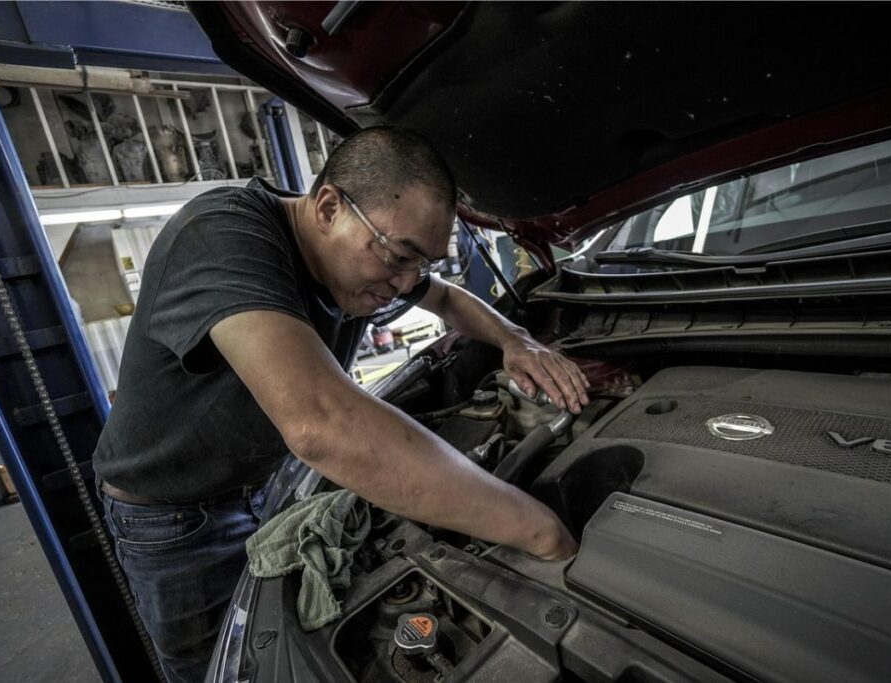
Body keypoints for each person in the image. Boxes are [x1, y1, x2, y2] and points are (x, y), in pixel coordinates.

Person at [92, 127, 587, 682]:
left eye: (421, 264)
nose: (404, 284)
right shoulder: (222, 237)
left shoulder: (356, 250)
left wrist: (512, 338)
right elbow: (321, 424)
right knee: (223, 671)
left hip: (269, 483)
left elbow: (445, 296)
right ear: (328, 206)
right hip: (177, 519)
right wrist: (536, 530)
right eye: (400, 257)